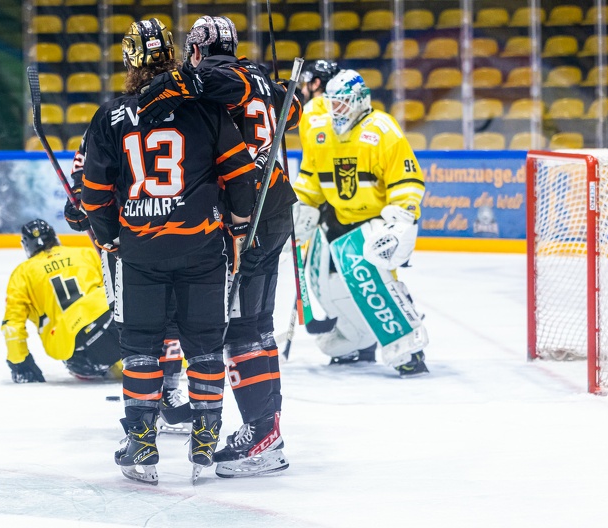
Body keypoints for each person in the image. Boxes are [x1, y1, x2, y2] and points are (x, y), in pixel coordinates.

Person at [80, 18, 257, 485]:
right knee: (204, 348)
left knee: (141, 347)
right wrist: (239, 221)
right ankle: (204, 444)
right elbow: (241, 175)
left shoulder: (111, 116)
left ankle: (141, 444)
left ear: (129, 60)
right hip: (201, 249)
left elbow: (93, 193)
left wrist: (108, 235)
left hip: (139, 254)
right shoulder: (205, 108)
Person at [137, 14, 302, 478]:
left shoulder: (222, 75)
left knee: (238, 330)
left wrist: (146, 98)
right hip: (276, 206)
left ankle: (262, 435)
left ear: (197, 50)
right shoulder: (260, 78)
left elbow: (189, 83)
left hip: (248, 216)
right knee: (259, 326)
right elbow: (294, 112)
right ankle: (268, 426)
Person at [293, 69, 430, 376]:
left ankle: (408, 347)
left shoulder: (382, 129)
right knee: (323, 282)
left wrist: (402, 219)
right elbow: (311, 180)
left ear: (359, 101)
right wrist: (300, 208)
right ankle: (358, 340)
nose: (335, 109)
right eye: (332, 103)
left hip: (374, 222)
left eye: (343, 103)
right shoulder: (322, 131)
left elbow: (406, 181)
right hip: (337, 219)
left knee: (369, 278)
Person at [64, 130, 190, 435]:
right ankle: (147, 402)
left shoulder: (185, 113)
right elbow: (84, 177)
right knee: (135, 320)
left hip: (174, 231)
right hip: (123, 237)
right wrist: (80, 202)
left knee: (172, 317)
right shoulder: (108, 122)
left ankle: (167, 392)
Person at [1, 219, 121, 383]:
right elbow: (118, 286)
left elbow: (12, 324)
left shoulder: (21, 274)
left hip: (77, 351)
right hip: (112, 324)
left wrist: (18, 360)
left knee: (93, 358)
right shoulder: (85, 254)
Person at [298, 59, 340, 145]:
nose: (303, 90)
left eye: (305, 84)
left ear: (316, 83)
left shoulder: (310, 109)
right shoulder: (344, 105)